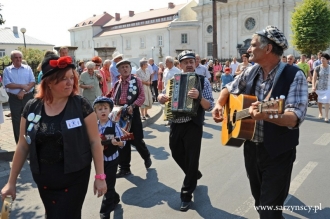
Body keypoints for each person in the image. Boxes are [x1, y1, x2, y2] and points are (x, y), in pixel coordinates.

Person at [212, 25, 308, 219]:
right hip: (252, 149)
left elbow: (295, 117)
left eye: (253, 45)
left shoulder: (294, 75)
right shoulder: (251, 71)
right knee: (259, 202)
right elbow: (229, 88)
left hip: (278, 152)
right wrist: (219, 104)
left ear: (268, 49)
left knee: (269, 209)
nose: (249, 49)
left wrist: (268, 115)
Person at [1, 55, 107, 219]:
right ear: (49, 82)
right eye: (63, 79)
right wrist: (11, 182)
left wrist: (100, 176)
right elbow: (23, 145)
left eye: (71, 77)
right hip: (44, 179)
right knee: (52, 214)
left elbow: (95, 142)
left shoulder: (81, 105)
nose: (70, 82)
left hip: (75, 178)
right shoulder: (32, 107)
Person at [158, 51, 214, 212]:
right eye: (185, 62)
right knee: (176, 153)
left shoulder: (203, 81)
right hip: (176, 123)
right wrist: (162, 98)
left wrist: (199, 97)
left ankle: (186, 194)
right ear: (180, 65)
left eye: (191, 61)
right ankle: (193, 173)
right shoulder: (172, 80)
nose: (189, 64)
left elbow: (209, 106)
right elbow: (164, 96)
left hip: (193, 124)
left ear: (196, 63)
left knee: (192, 157)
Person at [106, 60, 152, 177]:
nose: (125, 69)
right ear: (118, 70)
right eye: (122, 68)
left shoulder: (136, 81)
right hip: (120, 115)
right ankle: (125, 168)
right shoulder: (117, 84)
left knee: (136, 140)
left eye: (127, 67)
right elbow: (111, 97)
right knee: (123, 142)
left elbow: (141, 96)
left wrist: (133, 105)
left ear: (130, 69)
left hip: (133, 113)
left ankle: (146, 156)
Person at [93, 96, 125, 218]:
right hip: (100, 161)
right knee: (107, 182)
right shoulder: (94, 127)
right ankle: (115, 198)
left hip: (112, 159)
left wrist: (119, 142)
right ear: (95, 112)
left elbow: (123, 141)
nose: (103, 111)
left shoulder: (114, 125)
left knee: (109, 186)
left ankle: (104, 212)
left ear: (110, 110)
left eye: (106, 108)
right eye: (100, 109)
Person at [3, 50, 35, 143]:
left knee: (30, 119)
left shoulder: (27, 68)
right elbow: (7, 84)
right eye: (16, 57)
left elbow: (32, 82)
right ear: (12, 59)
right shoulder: (7, 70)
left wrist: (23, 91)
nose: (18, 59)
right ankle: (19, 143)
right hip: (14, 99)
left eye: (20, 57)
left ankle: (31, 142)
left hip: (28, 97)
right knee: (16, 121)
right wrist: (21, 86)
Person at [312, 53, 330, 122]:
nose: (322, 59)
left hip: (328, 86)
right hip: (319, 86)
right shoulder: (317, 68)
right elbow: (314, 78)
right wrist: (313, 86)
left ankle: (326, 116)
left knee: (327, 100)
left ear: (328, 60)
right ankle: (320, 112)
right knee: (319, 101)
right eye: (321, 58)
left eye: (324, 58)